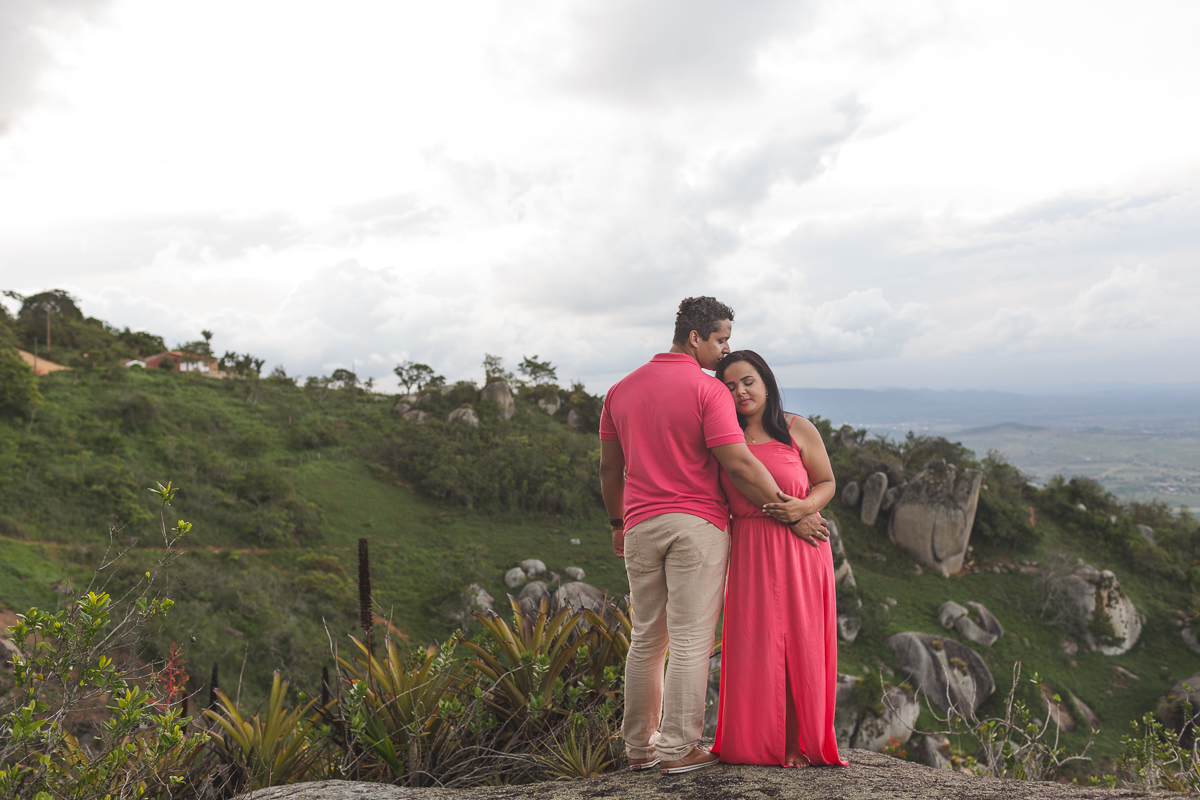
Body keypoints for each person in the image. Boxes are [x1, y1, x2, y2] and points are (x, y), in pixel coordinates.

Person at [599, 298, 830, 775]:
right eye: (720, 339)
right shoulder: (708, 391)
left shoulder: (619, 390)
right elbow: (739, 462)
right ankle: (679, 748)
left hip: (640, 524)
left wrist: (618, 523)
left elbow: (609, 468)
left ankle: (639, 748)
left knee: (646, 639)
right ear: (695, 338)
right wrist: (792, 512)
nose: (724, 348)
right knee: (689, 640)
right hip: (696, 525)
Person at [710, 349, 847, 768]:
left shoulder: (797, 428)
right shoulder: (723, 439)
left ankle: (795, 743)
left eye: (747, 381)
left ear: (766, 382)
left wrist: (802, 510)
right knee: (759, 645)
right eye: (730, 387)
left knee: (800, 645)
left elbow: (826, 482)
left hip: (805, 550)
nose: (740, 392)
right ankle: (758, 742)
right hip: (752, 549)